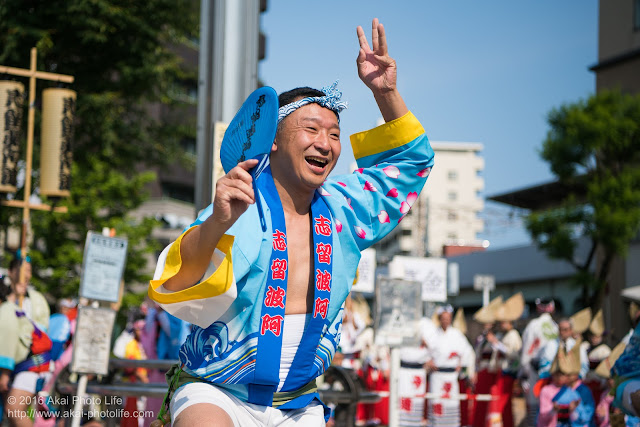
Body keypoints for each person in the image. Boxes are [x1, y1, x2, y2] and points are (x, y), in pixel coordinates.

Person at [148, 18, 435, 427]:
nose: (325, 143)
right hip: (217, 390)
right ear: (275, 140)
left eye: (334, 134)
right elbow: (178, 282)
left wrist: (385, 92)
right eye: (311, 129)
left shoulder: (344, 209)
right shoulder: (239, 202)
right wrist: (217, 223)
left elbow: (412, 163)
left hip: (298, 404)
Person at [1, 257, 53, 427]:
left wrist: (5, 372)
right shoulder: (6, 298)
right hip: (12, 365)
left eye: (29, 270)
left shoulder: (36, 300)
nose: (26, 274)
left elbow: (37, 334)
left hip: (31, 364)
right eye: (23, 270)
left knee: (14, 409)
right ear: (11, 272)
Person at [424, 305, 475, 427]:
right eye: (443, 318)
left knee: (451, 404)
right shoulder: (433, 334)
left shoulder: (457, 335)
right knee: (437, 403)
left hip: (451, 376)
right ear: (440, 318)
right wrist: (428, 361)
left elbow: (468, 352)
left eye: (448, 318)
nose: (446, 320)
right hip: (437, 375)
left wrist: (462, 365)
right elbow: (425, 350)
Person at [519, 297, 559, 425]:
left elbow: (527, 351)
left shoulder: (534, 325)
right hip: (554, 373)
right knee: (551, 406)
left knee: (535, 405)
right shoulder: (555, 327)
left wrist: (524, 373)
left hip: (535, 372)